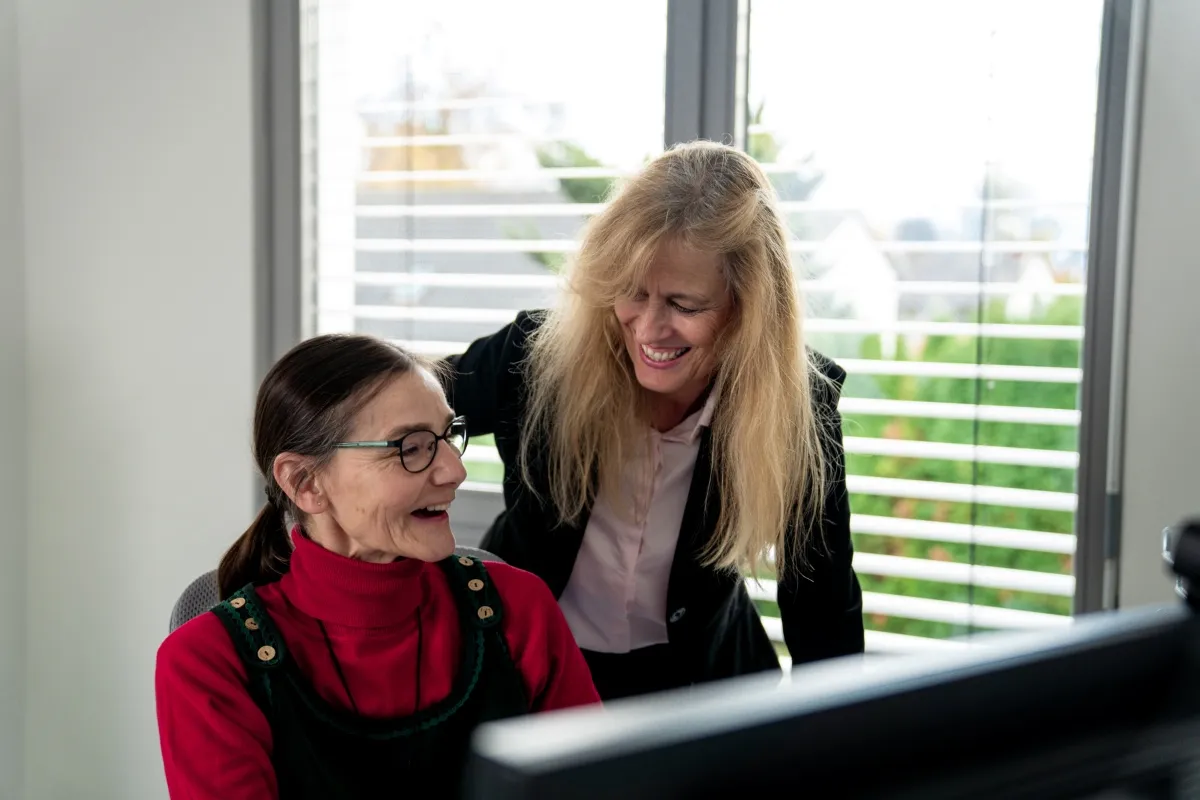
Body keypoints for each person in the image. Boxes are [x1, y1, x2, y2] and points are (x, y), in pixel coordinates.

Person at [442, 140, 865, 701]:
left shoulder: (798, 405)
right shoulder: (536, 356)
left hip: (701, 682)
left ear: (749, 307)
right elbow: (402, 409)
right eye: (630, 293)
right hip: (533, 668)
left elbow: (821, 603)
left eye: (684, 305)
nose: (648, 329)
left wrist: (846, 743)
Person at [155, 334, 600, 799]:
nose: (454, 470)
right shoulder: (207, 662)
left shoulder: (519, 608)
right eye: (410, 447)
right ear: (305, 483)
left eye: (448, 435)